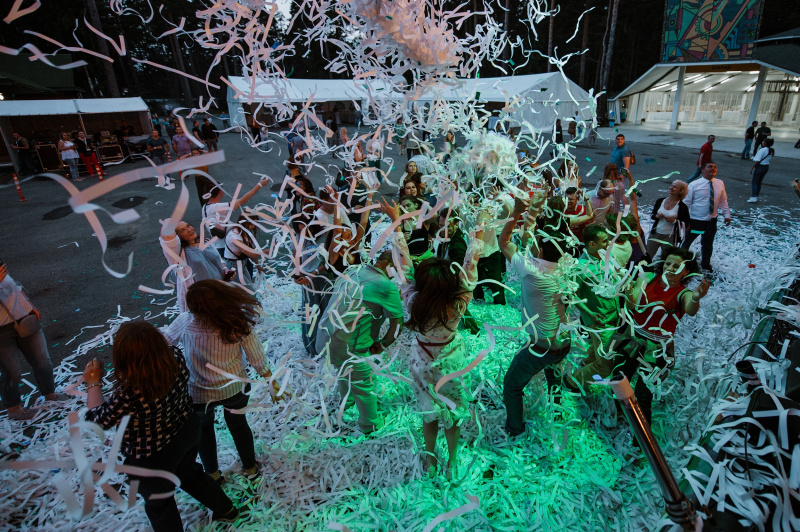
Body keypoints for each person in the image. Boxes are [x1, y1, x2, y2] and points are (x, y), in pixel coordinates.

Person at [83, 322, 238, 530]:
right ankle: (226, 509)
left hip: (152, 456)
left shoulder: (130, 393)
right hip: (186, 432)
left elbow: (97, 421)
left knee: (160, 503)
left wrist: (93, 383)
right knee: (191, 474)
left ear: (125, 360)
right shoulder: (175, 357)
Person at [380, 198, 484, 479]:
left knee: (429, 413)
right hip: (452, 360)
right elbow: (470, 267)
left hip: (423, 359)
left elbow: (404, 268)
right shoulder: (459, 302)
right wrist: (478, 232)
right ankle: (453, 461)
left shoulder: (414, 301)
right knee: (454, 412)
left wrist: (397, 224)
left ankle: (429, 459)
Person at [162, 281, 278, 484]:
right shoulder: (236, 323)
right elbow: (257, 357)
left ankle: (213, 475)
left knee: (204, 431)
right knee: (239, 426)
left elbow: (165, 343)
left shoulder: (185, 321)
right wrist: (272, 382)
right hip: (234, 389)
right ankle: (251, 469)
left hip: (198, 391)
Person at [500, 193, 572, 436]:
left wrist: (516, 212)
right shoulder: (566, 267)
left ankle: (515, 430)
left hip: (542, 347)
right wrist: (531, 213)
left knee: (512, 385)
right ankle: (557, 411)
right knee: (554, 373)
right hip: (564, 343)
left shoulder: (532, 272)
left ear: (540, 248)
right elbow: (527, 240)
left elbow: (504, 242)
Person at [614, 248, 710, 428]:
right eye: (668, 263)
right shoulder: (648, 277)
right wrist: (628, 291)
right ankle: (620, 414)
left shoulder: (683, 293)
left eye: (676, 266)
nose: (670, 268)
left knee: (643, 394)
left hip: (657, 349)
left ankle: (641, 439)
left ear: (686, 271)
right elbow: (631, 305)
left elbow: (690, 309)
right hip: (633, 338)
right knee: (619, 378)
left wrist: (696, 298)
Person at [314, 248, 403, 435]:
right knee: (363, 382)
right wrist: (382, 344)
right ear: (392, 266)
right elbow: (397, 326)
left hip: (323, 338)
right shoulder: (386, 286)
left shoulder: (354, 270)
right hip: (349, 346)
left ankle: (347, 402)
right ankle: (369, 426)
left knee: (344, 370)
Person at [0, 263, 69, 421]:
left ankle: (50, 393)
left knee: (42, 359)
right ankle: (14, 409)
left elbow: (12, 283)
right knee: (12, 371)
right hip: (2, 330)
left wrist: (29, 305)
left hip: (24, 317)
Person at [567, 224, 624, 391]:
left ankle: (585, 368)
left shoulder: (606, 257)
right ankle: (572, 382)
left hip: (614, 317)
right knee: (605, 366)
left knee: (596, 350)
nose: (609, 244)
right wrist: (590, 314)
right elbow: (571, 296)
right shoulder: (580, 267)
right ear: (592, 244)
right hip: (599, 322)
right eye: (604, 241)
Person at [159, 220, 228, 312]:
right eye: (182, 230)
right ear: (177, 237)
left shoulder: (205, 241)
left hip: (221, 291)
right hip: (202, 300)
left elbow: (218, 259)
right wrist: (171, 219)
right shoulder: (177, 255)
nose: (189, 230)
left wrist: (225, 269)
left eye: (188, 226)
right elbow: (167, 236)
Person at [681, 161, 731, 272]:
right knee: (687, 241)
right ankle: (680, 261)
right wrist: (685, 221)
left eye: (715, 167)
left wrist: (727, 214)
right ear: (703, 170)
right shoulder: (694, 184)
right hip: (695, 220)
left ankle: (706, 264)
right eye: (710, 167)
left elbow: (723, 200)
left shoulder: (720, 183)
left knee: (707, 244)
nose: (713, 169)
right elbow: (686, 203)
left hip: (711, 221)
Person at [202, 177, 270, 251]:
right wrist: (259, 185)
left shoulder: (205, 207)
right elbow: (242, 200)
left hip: (217, 244)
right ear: (221, 192)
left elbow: (240, 200)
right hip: (225, 246)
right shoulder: (218, 208)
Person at [646, 180, 691, 260]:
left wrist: (674, 221)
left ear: (680, 191)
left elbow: (686, 224)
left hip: (670, 237)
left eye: (675, 187)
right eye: (671, 185)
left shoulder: (682, 207)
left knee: (667, 259)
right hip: (655, 234)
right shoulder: (660, 201)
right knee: (647, 257)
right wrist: (656, 216)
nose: (671, 187)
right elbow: (652, 215)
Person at [223, 213, 263, 286]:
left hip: (242, 264)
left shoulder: (245, 232)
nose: (253, 226)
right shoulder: (234, 236)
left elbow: (252, 249)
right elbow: (252, 254)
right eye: (251, 224)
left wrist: (258, 266)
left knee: (249, 286)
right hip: (234, 265)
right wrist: (269, 250)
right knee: (248, 289)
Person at [748, 138, 775, 203]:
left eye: (763, 141)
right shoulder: (770, 150)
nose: (762, 142)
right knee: (759, 182)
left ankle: (754, 197)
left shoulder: (762, 150)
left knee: (754, 182)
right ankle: (756, 195)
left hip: (760, 166)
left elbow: (757, 160)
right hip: (766, 166)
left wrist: (752, 167)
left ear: (765, 143)